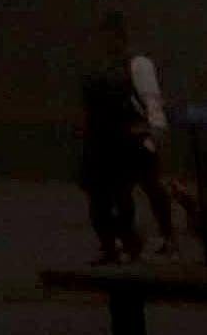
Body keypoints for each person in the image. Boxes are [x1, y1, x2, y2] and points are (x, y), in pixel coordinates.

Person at [76, 13, 147, 265]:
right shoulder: (98, 66)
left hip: (120, 138)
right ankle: (109, 245)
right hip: (99, 139)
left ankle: (128, 241)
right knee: (98, 199)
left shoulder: (132, 65)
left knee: (121, 195)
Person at [124, 32, 181, 254]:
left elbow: (151, 98)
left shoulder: (139, 65)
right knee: (137, 187)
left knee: (150, 185)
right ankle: (138, 237)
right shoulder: (126, 66)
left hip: (142, 131)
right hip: (133, 131)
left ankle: (164, 235)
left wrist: (155, 128)